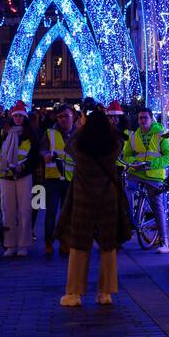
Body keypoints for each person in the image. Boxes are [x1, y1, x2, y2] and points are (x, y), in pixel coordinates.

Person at [56, 107, 130, 305]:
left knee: (79, 245)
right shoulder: (113, 147)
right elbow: (120, 140)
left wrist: (82, 126)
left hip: (83, 199)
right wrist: (109, 126)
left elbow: (69, 144)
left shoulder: (79, 148)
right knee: (108, 246)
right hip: (107, 198)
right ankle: (105, 293)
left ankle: (74, 293)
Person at [121, 107, 169, 254]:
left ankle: (164, 241)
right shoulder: (133, 136)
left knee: (158, 206)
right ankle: (132, 220)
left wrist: (151, 164)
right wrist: (134, 162)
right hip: (136, 172)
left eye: (145, 118)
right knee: (125, 192)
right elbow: (127, 156)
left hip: (154, 174)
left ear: (151, 119)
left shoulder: (161, 134)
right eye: (140, 118)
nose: (142, 120)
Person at [0, 102, 42, 257]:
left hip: (23, 175)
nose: (17, 119)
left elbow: (34, 156)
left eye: (20, 116)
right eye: (15, 116)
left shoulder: (30, 135)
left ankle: (23, 243)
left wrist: (23, 168)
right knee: (7, 210)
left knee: (24, 210)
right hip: (6, 175)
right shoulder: (5, 133)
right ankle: (9, 244)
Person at [40, 104, 77, 256]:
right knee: (51, 211)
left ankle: (65, 241)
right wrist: (45, 155)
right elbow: (42, 149)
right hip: (53, 178)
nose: (63, 119)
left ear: (73, 116)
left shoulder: (79, 134)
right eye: (60, 116)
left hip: (71, 178)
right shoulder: (50, 133)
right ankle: (49, 242)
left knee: (67, 212)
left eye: (66, 116)